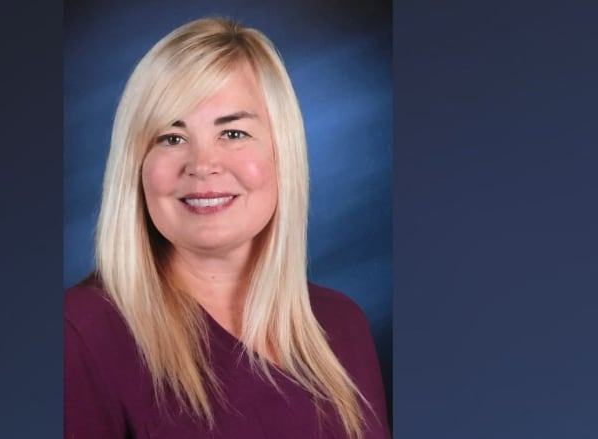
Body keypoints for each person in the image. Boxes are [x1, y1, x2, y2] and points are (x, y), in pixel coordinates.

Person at [64, 17, 391, 439]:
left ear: (281, 154)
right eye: (170, 138)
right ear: (136, 166)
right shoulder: (81, 334)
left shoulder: (341, 325)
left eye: (233, 133)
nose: (202, 165)